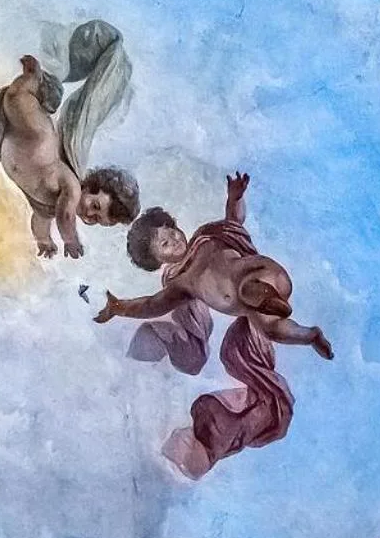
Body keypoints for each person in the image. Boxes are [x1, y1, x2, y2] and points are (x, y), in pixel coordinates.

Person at [95, 172, 330, 478]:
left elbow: (234, 222)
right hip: (258, 311)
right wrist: (120, 307)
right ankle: (309, 335)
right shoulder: (180, 284)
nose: (176, 239)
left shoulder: (208, 238)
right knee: (264, 333)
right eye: (166, 244)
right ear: (159, 261)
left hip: (261, 276)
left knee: (245, 291)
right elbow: (152, 305)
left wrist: (234, 197)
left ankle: (264, 297)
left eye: (173, 231)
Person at [0, 19, 140, 258]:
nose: (89, 215)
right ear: (91, 186)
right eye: (96, 206)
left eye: (96, 219)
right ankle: (35, 78)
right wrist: (70, 241)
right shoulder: (71, 188)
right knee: (15, 97)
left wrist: (45, 241)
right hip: (35, 133)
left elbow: (39, 222)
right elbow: (66, 217)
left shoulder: (47, 206)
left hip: (6, 144)